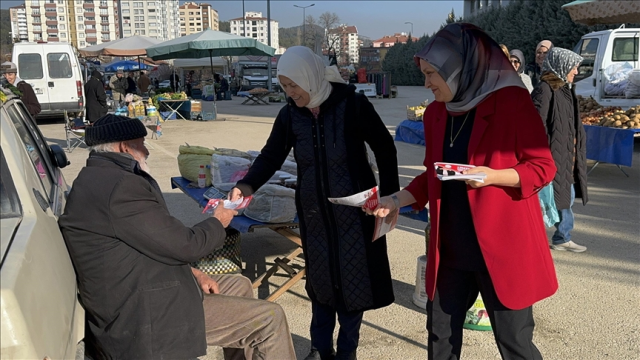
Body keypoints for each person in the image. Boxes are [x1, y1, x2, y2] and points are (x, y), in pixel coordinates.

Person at [368, 23, 558, 360]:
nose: (425, 83)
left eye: (431, 74)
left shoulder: (511, 102)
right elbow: (433, 176)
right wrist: (394, 200)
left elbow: (543, 167)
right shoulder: (436, 113)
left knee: (514, 342)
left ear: (459, 70)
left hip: (501, 247)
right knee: (440, 338)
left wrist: (494, 176)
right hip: (451, 247)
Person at [58, 114, 296, 360]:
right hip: (142, 310)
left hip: (143, 285)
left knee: (240, 284)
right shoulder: (121, 188)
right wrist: (219, 220)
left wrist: (195, 272)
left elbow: (157, 241)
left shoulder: (100, 177)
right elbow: (187, 245)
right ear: (124, 147)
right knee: (270, 319)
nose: (147, 150)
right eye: (141, 143)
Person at [228, 46, 400, 360]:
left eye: (294, 85)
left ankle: (347, 351)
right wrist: (246, 184)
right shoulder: (290, 115)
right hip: (314, 216)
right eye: (285, 86)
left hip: (355, 214)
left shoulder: (352, 104)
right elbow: (271, 155)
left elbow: (385, 149)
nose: (290, 92)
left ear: (311, 77)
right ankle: (320, 349)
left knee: (353, 284)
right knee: (321, 284)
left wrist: (390, 195)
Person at [531, 47, 588, 253]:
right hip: (551, 157)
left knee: (565, 197)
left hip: (566, 156)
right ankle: (543, 237)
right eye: (574, 67)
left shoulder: (566, 89)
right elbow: (536, 126)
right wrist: (541, 155)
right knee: (547, 200)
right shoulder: (544, 90)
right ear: (562, 66)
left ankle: (562, 236)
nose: (576, 71)